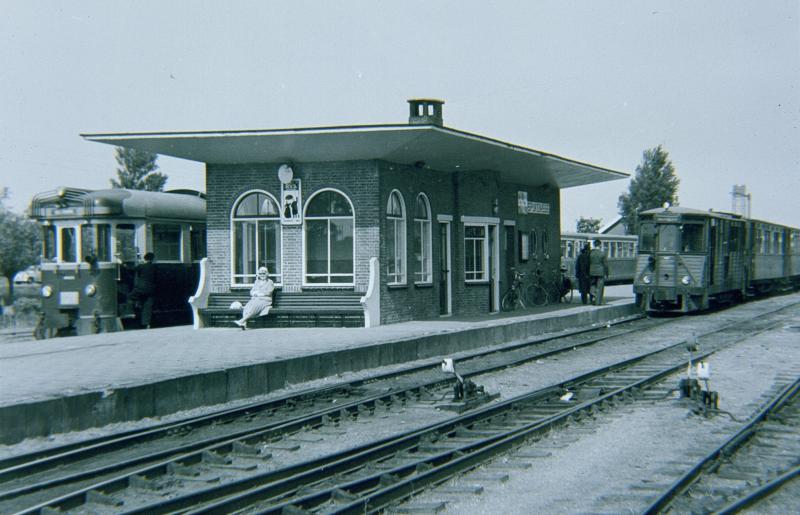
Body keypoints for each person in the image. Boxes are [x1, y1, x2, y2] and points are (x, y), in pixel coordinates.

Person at [130, 252, 156, 328]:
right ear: (152, 259)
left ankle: (136, 304)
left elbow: (132, 269)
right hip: (151, 290)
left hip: (140, 290)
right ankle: (147, 323)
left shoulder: (141, 266)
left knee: (130, 297)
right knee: (148, 307)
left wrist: (122, 263)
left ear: (144, 259)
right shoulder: (154, 267)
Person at [589, 239, 609, 305]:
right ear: (600, 245)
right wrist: (607, 273)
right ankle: (598, 302)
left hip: (592, 271)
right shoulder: (602, 253)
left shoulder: (591, 253)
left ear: (594, 244)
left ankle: (593, 293)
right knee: (600, 287)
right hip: (600, 272)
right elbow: (605, 264)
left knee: (592, 284)